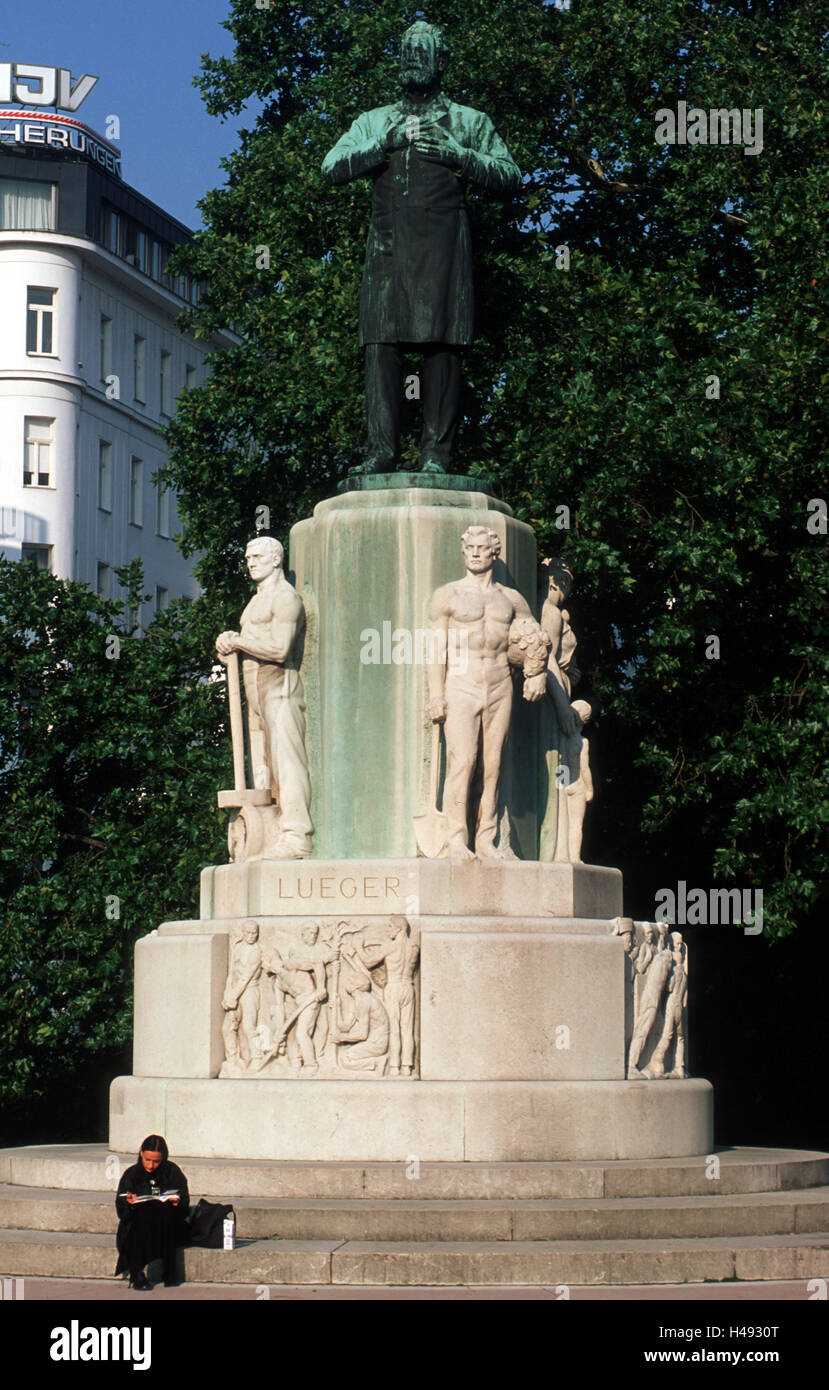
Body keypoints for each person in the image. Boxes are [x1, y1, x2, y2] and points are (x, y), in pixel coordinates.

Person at [321, 21, 521, 475]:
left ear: (441, 61)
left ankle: (436, 453)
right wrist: (381, 145)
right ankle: (381, 450)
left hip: (444, 253)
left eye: (423, 51)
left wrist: (459, 155)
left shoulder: (470, 122)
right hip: (387, 254)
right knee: (381, 345)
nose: (413, 57)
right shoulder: (374, 121)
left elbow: (511, 177)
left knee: (443, 346)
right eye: (407, 50)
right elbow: (329, 167)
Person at [426, 525, 547, 858]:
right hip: (461, 684)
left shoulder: (511, 599)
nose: (476, 553)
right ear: (463, 552)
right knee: (462, 761)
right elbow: (436, 650)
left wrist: (535, 673)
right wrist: (436, 694)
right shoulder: (447, 596)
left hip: (499, 683)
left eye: (483, 548)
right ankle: (455, 837)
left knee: (493, 764)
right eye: (470, 548)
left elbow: (534, 638)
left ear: (495, 552)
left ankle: (485, 838)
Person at [216, 535, 313, 858]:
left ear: (276, 559)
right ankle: (273, 832)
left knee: (287, 762)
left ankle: (297, 834)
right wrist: (228, 647)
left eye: (257, 556)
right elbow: (251, 644)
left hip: (280, 686)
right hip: (254, 687)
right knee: (263, 766)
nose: (250, 562)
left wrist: (240, 642)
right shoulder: (256, 600)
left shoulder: (286, 598)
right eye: (247, 558)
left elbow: (280, 649)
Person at [114, 1135, 189, 1289]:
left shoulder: (172, 1172)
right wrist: (128, 1202)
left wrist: (177, 1202)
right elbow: (121, 1208)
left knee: (164, 1216)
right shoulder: (132, 1174)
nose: (151, 1165)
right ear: (141, 1153)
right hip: (139, 1224)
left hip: (166, 1222)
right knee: (142, 1218)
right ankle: (138, 1273)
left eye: (156, 1161)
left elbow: (184, 1202)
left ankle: (169, 1273)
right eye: (147, 1160)